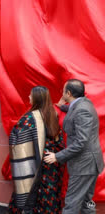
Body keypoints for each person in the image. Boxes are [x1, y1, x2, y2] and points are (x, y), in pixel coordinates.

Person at [44, 79, 104, 214]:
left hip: (83, 166)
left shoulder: (82, 110)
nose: (62, 93)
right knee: (87, 203)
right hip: (88, 164)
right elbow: (74, 110)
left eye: (63, 91)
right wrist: (61, 106)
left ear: (69, 93)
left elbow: (81, 142)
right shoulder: (82, 104)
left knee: (71, 204)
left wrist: (57, 156)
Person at [8, 86, 65, 213]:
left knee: (29, 192)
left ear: (37, 98)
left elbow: (16, 138)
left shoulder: (29, 118)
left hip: (34, 163)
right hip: (51, 161)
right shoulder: (52, 113)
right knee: (48, 193)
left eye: (30, 95)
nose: (29, 97)